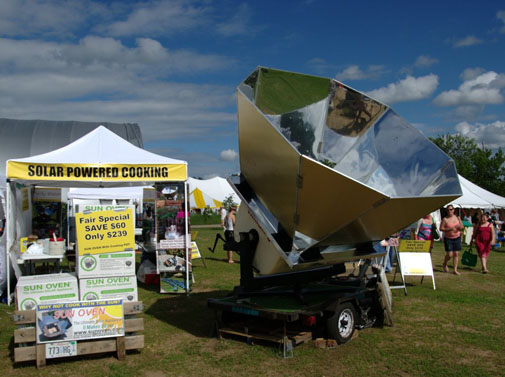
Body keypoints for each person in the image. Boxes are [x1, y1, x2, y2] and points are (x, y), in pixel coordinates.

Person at [440, 205, 464, 275]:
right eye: (448, 210)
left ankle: (455, 270)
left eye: (451, 209)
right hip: (448, 238)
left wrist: (459, 227)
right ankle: (445, 263)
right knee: (450, 254)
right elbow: (441, 228)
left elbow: (462, 227)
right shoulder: (445, 219)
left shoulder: (457, 217)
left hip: (457, 237)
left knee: (456, 253)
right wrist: (450, 229)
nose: (449, 211)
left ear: (453, 210)